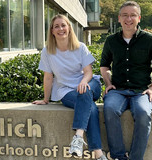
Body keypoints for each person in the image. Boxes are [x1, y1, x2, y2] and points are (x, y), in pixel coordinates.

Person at [33, 14, 107, 160]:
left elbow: (89, 72)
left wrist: (84, 82)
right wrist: (46, 99)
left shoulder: (80, 47)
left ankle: (78, 137)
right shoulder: (47, 51)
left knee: (84, 91)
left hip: (89, 84)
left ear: (69, 28)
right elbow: (48, 77)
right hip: (66, 91)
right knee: (90, 108)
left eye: (63, 25)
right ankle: (99, 154)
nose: (60, 29)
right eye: (56, 26)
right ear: (52, 31)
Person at [100, 1, 152, 160]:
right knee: (109, 109)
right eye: (124, 15)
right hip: (117, 90)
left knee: (143, 113)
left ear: (139, 18)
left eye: (132, 15)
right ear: (119, 18)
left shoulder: (150, 40)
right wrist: (108, 84)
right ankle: (118, 157)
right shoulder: (111, 41)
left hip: (141, 91)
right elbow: (104, 65)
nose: (128, 19)